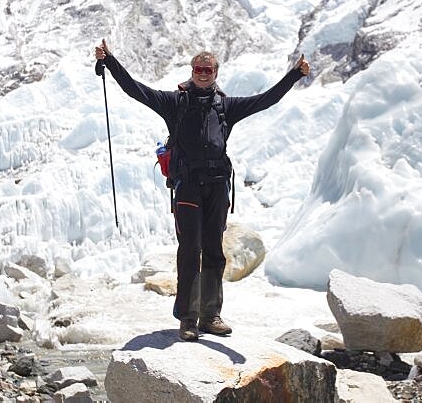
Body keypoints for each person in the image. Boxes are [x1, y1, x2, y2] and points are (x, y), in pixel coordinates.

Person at [93, 39, 310, 341]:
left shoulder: (226, 107)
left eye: (208, 69)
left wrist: (296, 74)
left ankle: (211, 316)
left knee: (213, 252)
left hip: (218, 187)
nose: (203, 73)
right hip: (188, 188)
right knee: (189, 250)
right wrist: (111, 60)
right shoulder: (174, 103)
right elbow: (135, 90)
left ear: (216, 72)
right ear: (192, 71)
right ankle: (187, 318)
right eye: (199, 69)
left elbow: (266, 100)